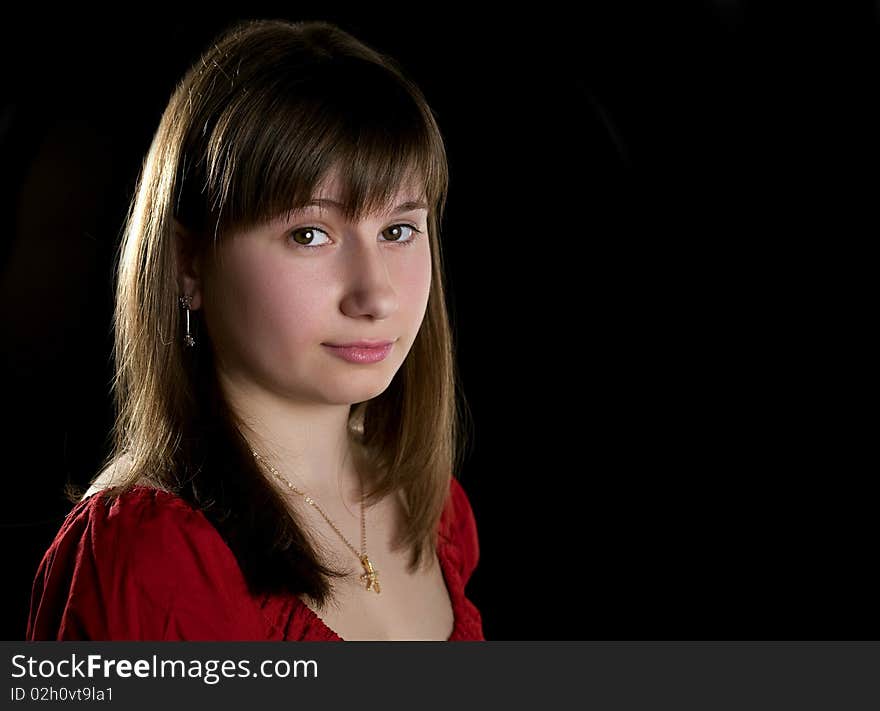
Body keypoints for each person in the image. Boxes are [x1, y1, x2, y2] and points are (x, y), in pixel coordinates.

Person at [25, 18, 484, 641]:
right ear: (190, 265)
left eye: (399, 231)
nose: (375, 295)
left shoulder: (438, 513)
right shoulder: (146, 560)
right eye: (309, 234)